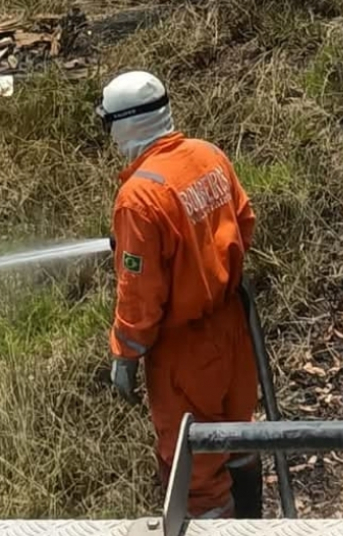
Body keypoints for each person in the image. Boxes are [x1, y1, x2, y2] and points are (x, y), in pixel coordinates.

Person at [97, 69, 263, 519]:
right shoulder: (208, 155)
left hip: (185, 352)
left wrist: (125, 357)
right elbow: (242, 223)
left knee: (193, 473)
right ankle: (253, 525)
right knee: (239, 442)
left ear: (123, 124)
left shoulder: (139, 197)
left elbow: (140, 297)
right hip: (232, 327)